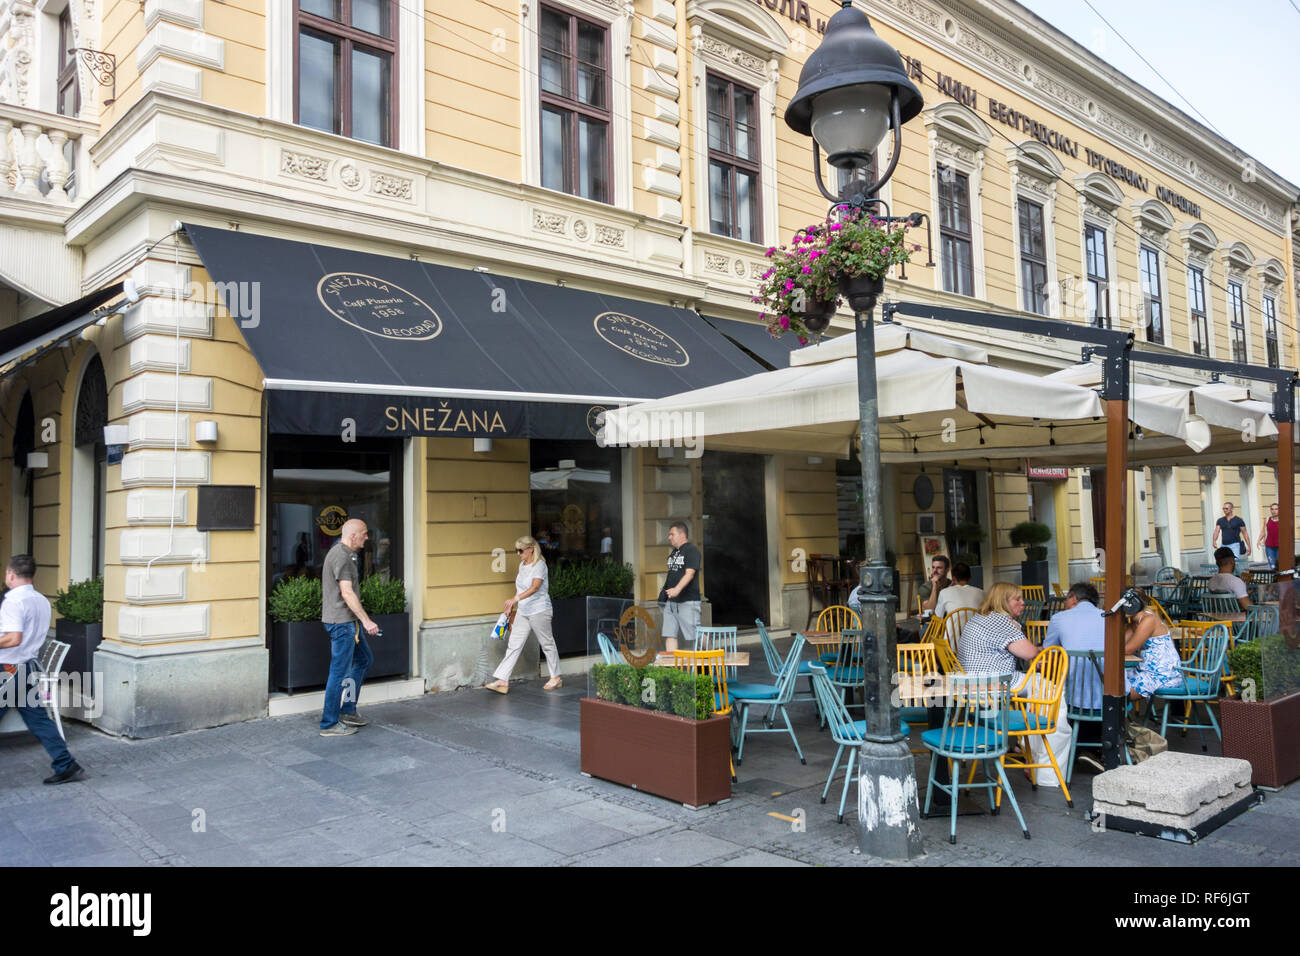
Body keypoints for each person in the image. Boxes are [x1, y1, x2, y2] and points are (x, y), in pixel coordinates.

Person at [0, 555, 83, 784]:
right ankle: (66, 764)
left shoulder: (12, 601)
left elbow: (13, 638)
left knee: (38, 720)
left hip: (9, 669)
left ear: (11, 574)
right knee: (39, 720)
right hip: (26, 668)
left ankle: (66, 764)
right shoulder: (41, 600)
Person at [319, 519, 380, 737]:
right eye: (364, 533)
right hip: (342, 624)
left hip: (346, 623)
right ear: (353, 535)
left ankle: (347, 711)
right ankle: (329, 724)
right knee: (339, 672)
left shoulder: (342, 554)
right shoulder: (342, 557)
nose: (367, 537)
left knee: (364, 660)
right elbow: (346, 592)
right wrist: (366, 620)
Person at [485, 536, 561, 694]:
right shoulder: (522, 565)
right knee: (514, 644)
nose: (518, 553)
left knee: (547, 643)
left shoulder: (540, 565)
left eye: (520, 550)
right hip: (523, 610)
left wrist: (516, 599)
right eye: (516, 550)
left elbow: (535, 587)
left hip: (539, 609)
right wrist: (511, 606)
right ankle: (502, 680)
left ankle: (556, 678)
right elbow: (520, 589)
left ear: (531, 549)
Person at [1043, 582, 1105, 708]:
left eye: (1066, 599)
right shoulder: (1108, 617)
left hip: (1075, 699)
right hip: (1109, 698)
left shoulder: (1058, 618)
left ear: (1074, 598)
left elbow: (1049, 652)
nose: (1065, 604)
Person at [1123, 590, 1183, 701]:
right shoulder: (1135, 622)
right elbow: (1120, 644)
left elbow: (1128, 649)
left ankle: (1119, 716)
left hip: (1163, 673)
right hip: (1146, 669)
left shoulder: (1148, 620)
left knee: (1122, 693)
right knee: (1113, 681)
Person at [660, 520, 701, 652]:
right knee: (669, 634)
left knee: (696, 634)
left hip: (688, 601)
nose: (669, 537)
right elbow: (672, 575)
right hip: (671, 602)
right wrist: (663, 596)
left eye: (672, 534)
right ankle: (672, 670)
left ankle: (714, 656)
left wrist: (677, 589)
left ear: (682, 534)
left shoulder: (692, 550)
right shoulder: (673, 553)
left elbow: (690, 573)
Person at [1208, 546, 1251, 612]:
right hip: (1236, 620)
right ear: (1232, 561)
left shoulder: (1211, 581)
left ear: (1217, 563)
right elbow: (1247, 606)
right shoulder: (1236, 582)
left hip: (1217, 620)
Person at [1257, 502, 1280, 569]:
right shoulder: (1267, 519)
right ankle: (1275, 578)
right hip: (1269, 547)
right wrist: (1259, 540)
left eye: (1276, 509)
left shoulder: (1283, 520)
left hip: (1280, 547)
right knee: (1272, 566)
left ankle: (1279, 579)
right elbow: (1263, 531)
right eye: (1272, 509)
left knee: (1279, 566)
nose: (1274, 511)